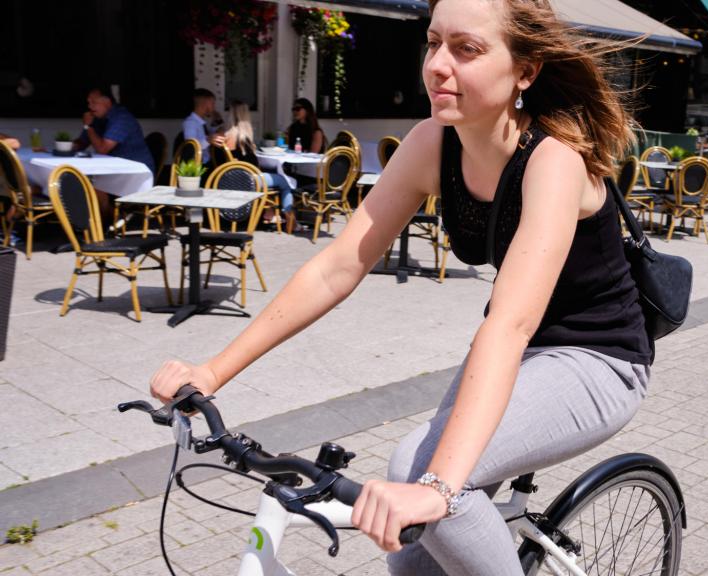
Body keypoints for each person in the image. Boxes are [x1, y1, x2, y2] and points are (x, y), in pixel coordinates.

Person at [149, 0, 651, 574]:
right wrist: (212, 372)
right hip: (517, 351)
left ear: (526, 70)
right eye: (433, 43)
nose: (438, 65)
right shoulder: (433, 143)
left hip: (597, 358)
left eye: (467, 49)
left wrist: (438, 485)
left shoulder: (554, 161)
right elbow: (337, 267)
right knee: (415, 558)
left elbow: (509, 323)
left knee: (421, 471)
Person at [74, 87, 156, 223]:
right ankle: (101, 221)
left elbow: (102, 148)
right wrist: (64, 146)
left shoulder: (121, 118)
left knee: (91, 184)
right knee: (84, 180)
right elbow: (82, 142)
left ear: (107, 102)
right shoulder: (98, 118)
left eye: (94, 102)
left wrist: (88, 127)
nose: (90, 107)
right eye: (88, 103)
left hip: (135, 173)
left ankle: (109, 220)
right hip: (113, 170)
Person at [222, 100, 296, 228]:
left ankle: (269, 211)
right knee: (284, 181)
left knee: (273, 175)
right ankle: (290, 218)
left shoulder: (224, 137)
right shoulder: (243, 139)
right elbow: (253, 166)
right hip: (247, 180)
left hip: (229, 179)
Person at [183, 88, 225, 165]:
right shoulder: (190, 122)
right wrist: (208, 140)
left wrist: (217, 126)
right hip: (199, 166)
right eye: (212, 104)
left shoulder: (199, 121)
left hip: (207, 161)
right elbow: (191, 147)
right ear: (205, 104)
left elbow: (205, 136)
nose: (214, 107)